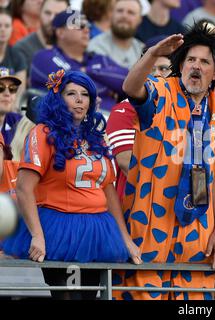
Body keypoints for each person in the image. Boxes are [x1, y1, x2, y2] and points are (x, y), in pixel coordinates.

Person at [114, 22, 215, 300]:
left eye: (204, 62)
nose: (196, 66)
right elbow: (131, 87)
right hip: (150, 223)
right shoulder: (160, 91)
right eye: (190, 59)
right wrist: (153, 54)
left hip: (197, 231)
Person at [2, 69, 142, 300]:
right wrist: (37, 234)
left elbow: (109, 193)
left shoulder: (96, 138)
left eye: (84, 94)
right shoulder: (43, 132)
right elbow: (24, 188)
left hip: (98, 229)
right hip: (59, 226)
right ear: (58, 99)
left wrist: (125, 238)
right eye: (71, 94)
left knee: (89, 297)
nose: (79, 100)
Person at [106, 36, 172, 203]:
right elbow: (126, 163)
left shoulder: (188, 108)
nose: (157, 73)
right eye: (151, 68)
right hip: (135, 206)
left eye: (164, 68)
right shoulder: (125, 108)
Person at [30, 10, 129, 113]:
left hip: (110, 122)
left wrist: (87, 70)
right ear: (60, 32)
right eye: (80, 26)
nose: (86, 30)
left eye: (88, 26)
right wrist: (108, 83)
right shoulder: (44, 57)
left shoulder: (98, 58)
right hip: (63, 124)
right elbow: (73, 83)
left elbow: (129, 81)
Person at [13, 0, 69, 76]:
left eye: (58, 15)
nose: (51, 19)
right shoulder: (21, 49)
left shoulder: (74, 47)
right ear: (40, 13)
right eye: (47, 13)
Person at [87, 0, 144, 69]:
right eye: (120, 11)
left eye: (131, 13)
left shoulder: (142, 49)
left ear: (140, 19)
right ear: (111, 15)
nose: (124, 16)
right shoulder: (96, 45)